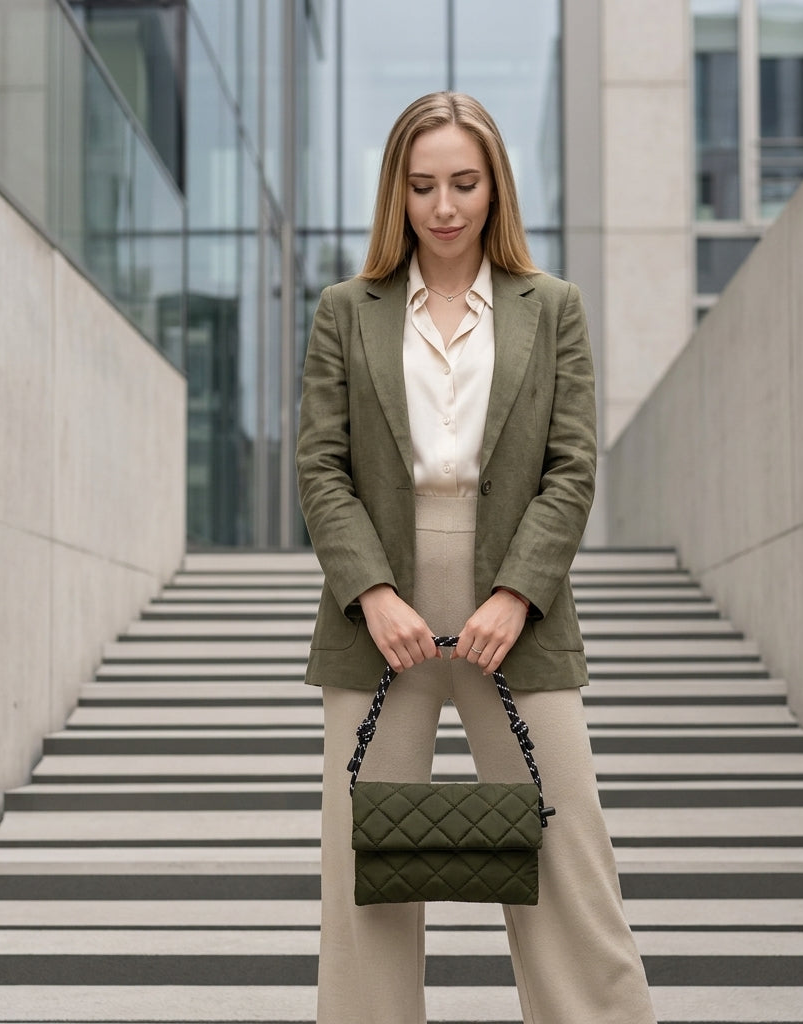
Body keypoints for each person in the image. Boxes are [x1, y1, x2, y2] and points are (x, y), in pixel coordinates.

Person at [296, 91, 656, 1024]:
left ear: (496, 187)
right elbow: (321, 466)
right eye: (423, 186)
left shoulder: (554, 308)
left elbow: (572, 467)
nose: (444, 206)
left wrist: (515, 594)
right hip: (380, 608)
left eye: (464, 182)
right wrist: (371, 593)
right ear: (397, 192)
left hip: (517, 606)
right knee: (365, 868)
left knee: (566, 851)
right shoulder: (346, 309)